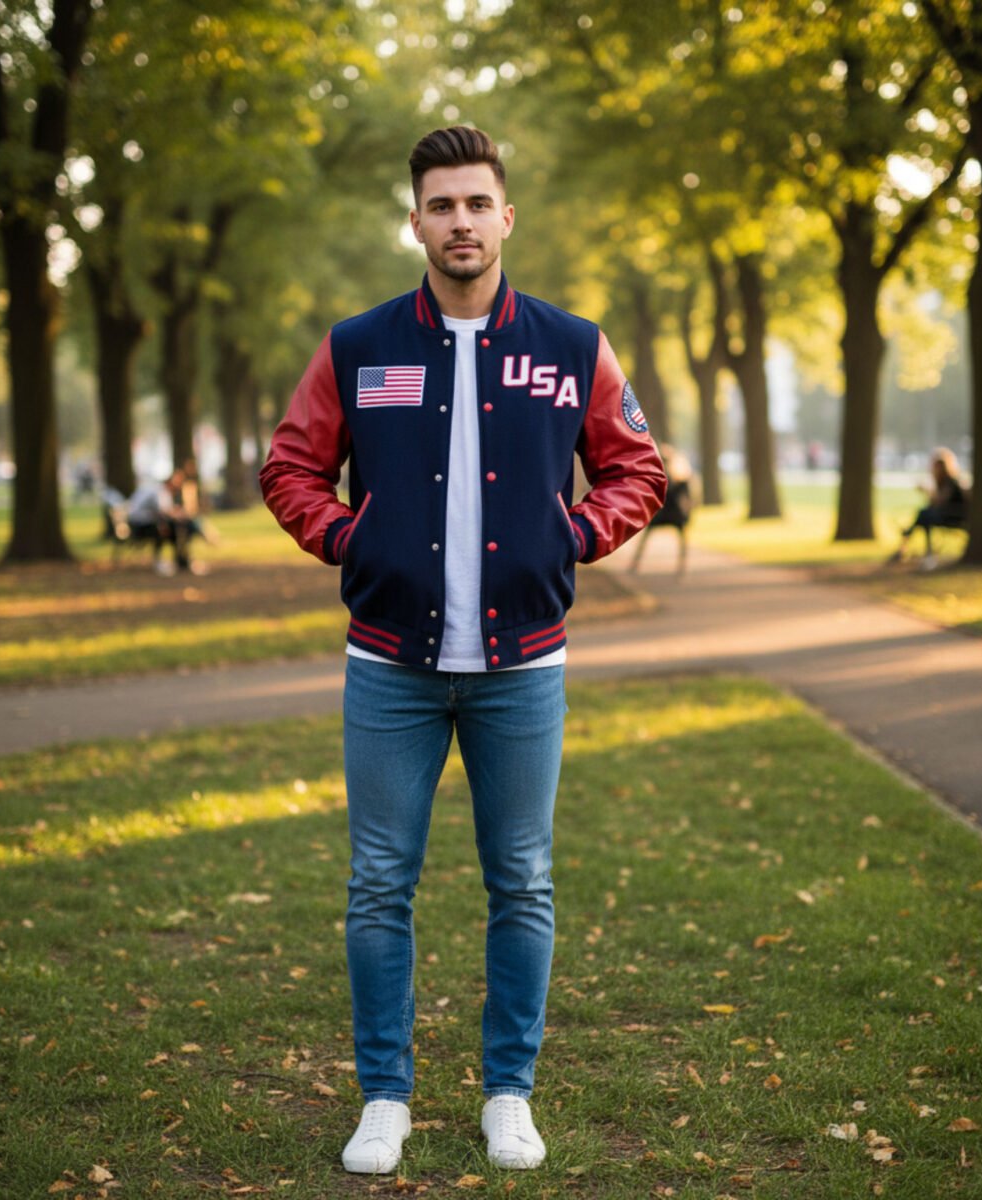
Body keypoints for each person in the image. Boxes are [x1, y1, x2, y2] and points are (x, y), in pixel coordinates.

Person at [260, 126, 667, 1175]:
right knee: (378, 886)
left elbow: (637, 470)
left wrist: (571, 536)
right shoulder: (358, 347)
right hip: (389, 666)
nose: (460, 222)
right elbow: (290, 469)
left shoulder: (574, 347)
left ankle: (508, 1093)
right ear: (416, 222)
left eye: (477, 203)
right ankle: (385, 1098)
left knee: (521, 881)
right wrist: (351, 538)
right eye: (440, 206)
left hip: (522, 668)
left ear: (505, 216)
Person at [887, 447, 969, 566]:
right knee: (925, 514)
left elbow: (941, 502)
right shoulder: (943, 482)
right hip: (946, 515)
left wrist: (926, 491)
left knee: (924, 515)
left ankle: (909, 540)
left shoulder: (951, 482)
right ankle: (920, 547)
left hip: (954, 517)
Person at [629, 444, 695, 575]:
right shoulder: (675, 476)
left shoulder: (673, 477)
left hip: (668, 513)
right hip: (670, 514)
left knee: (678, 540)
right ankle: (681, 569)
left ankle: (636, 564)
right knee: (680, 540)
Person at [126, 469, 198, 575]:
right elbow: (163, 512)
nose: (178, 486)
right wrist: (180, 514)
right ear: (170, 482)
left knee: (179, 528)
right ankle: (164, 561)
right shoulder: (160, 491)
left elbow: (165, 511)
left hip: (142, 522)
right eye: (177, 483)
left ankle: (182, 559)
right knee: (168, 528)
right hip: (139, 525)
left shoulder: (161, 491)